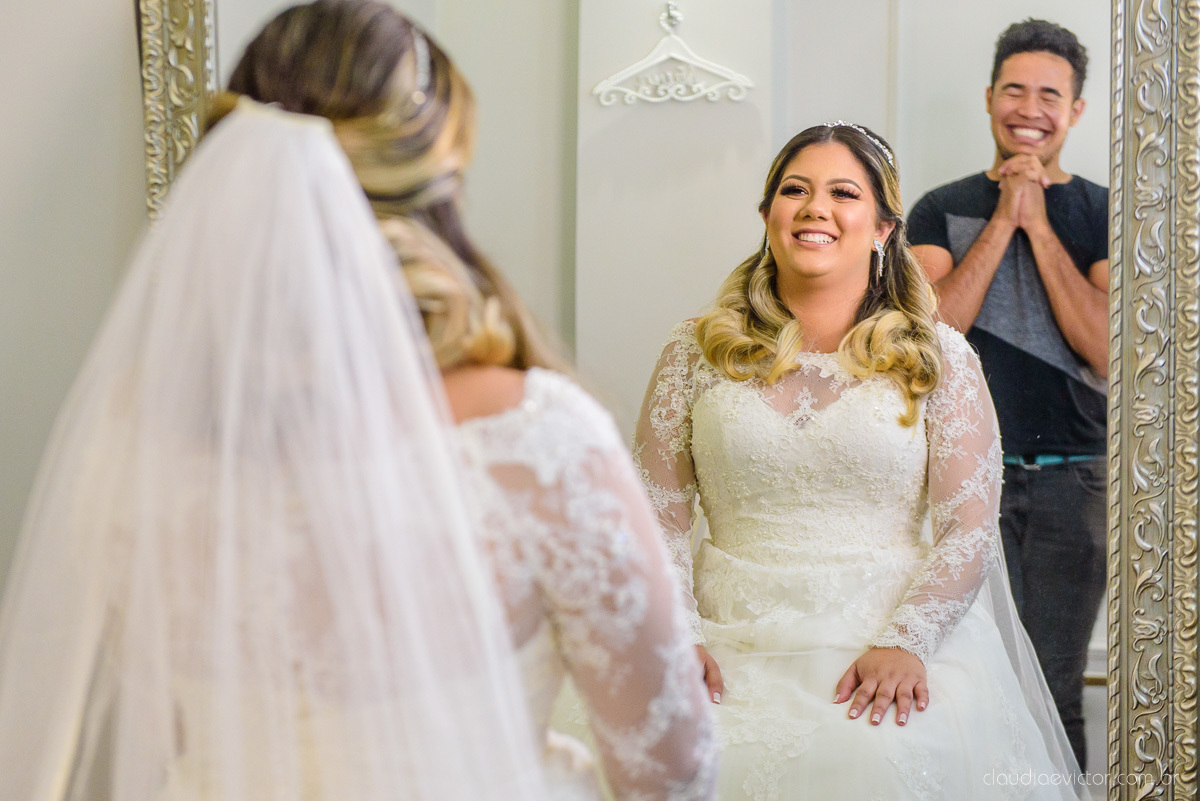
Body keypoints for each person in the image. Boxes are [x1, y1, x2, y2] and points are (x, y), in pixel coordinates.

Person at [0, 3, 716, 800]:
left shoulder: (134, 441)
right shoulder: (533, 442)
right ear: (434, 192)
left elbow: (163, 729)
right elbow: (671, 767)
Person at [632, 122, 1086, 800]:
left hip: (884, 638)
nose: (816, 207)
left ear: (882, 228)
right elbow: (654, 518)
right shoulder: (693, 352)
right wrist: (678, 638)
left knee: (870, 762)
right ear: (768, 217)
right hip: (724, 641)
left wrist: (908, 641)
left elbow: (967, 524)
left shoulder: (940, 359)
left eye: (843, 192)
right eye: (795, 190)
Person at [906, 19, 1108, 767]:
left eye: (1049, 95)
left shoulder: (1103, 211)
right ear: (990, 98)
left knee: (1054, 690)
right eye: (1015, 90)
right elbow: (933, 335)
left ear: (1076, 110)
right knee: (966, 684)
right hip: (959, 481)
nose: (1030, 108)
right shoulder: (937, 209)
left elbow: (1104, 346)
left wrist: (1041, 225)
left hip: (1073, 482)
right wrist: (1002, 219)